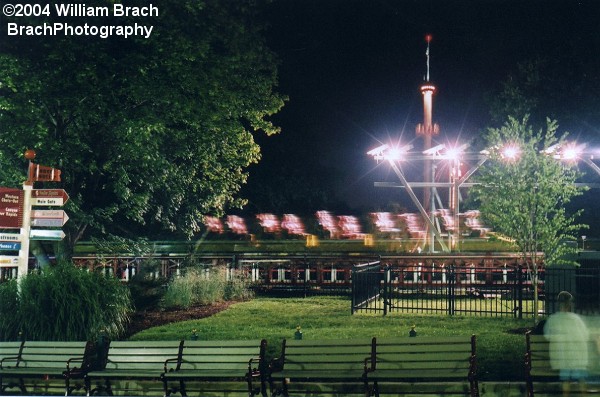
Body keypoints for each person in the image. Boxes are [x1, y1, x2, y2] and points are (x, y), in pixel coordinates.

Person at [544, 291, 590, 396]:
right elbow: (586, 335)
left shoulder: (553, 320)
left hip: (563, 360)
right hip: (579, 360)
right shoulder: (577, 320)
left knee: (565, 379)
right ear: (570, 304)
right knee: (581, 378)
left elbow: (548, 336)